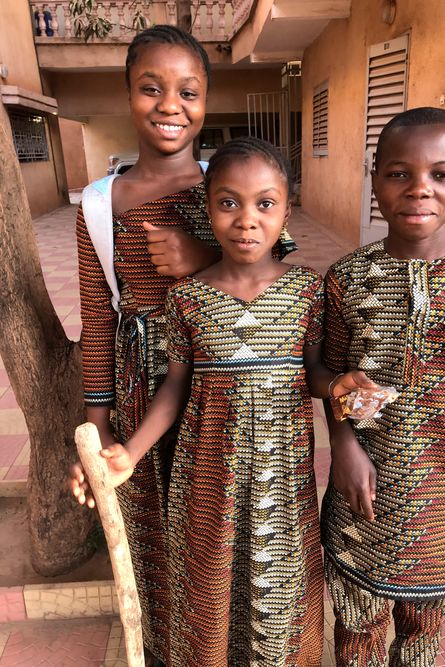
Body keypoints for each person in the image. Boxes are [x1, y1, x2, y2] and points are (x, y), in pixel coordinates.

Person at [71, 136, 375, 666]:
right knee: (209, 586)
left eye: (265, 203)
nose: (246, 219)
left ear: (287, 209)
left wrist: (337, 386)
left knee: (279, 594)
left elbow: (313, 371)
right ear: (206, 209)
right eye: (228, 203)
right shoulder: (187, 298)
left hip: (283, 481)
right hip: (206, 475)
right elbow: (174, 387)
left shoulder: (307, 290)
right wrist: (132, 451)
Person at [75, 26, 295, 665]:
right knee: (154, 532)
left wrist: (200, 256)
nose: (170, 105)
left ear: (206, 99)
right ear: (127, 95)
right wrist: (99, 433)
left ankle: (227, 640)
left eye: (188, 91)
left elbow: (275, 269)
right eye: (151, 89)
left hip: (219, 382)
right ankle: (178, 648)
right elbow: (97, 322)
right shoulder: (99, 204)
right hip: (143, 383)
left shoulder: (223, 184)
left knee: (219, 524)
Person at [321, 107, 445, 667]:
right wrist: (345, 448)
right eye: (400, 173)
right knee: (358, 629)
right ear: (375, 180)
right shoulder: (346, 277)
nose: (420, 189)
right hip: (363, 490)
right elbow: (330, 376)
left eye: (441, 175)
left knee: (423, 631)